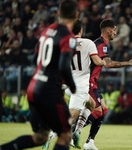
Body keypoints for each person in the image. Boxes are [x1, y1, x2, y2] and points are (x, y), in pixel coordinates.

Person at [0, 1, 78, 150]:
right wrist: (72, 87)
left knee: (40, 137)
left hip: (33, 88)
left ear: (59, 13)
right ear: (76, 15)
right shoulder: (68, 37)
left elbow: (35, 59)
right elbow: (64, 66)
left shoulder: (46, 31)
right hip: (49, 91)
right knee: (65, 135)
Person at [74, 19, 132, 150]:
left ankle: (89, 142)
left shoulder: (100, 44)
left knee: (103, 110)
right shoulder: (100, 44)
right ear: (109, 30)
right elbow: (108, 63)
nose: (115, 33)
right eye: (114, 30)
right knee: (98, 112)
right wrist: (128, 63)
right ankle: (74, 131)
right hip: (88, 82)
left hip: (92, 82)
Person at [43, 19, 106, 149]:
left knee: (92, 104)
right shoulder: (88, 43)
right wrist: (104, 62)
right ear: (81, 30)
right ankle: (51, 134)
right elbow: (97, 61)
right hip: (80, 85)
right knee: (71, 116)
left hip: (66, 82)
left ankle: (77, 132)